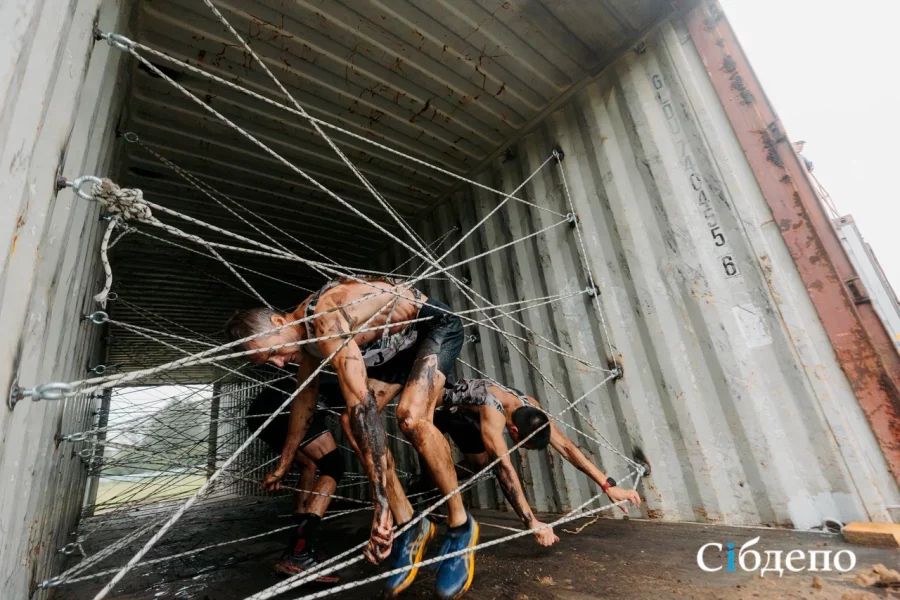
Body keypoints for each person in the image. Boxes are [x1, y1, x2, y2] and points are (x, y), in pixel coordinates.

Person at [225, 276, 478, 600]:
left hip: (432, 330)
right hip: (396, 353)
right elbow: (303, 404)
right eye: (268, 362)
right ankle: (410, 524)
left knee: (410, 418)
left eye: (273, 351)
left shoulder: (326, 320)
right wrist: (285, 462)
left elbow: (364, 408)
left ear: (277, 321)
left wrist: (379, 505)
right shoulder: (308, 343)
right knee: (348, 423)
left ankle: (460, 525)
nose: (277, 362)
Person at [426, 378, 643, 545]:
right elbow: (504, 469)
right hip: (441, 409)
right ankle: (427, 486)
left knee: (480, 464)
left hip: (468, 414)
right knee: (486, 463)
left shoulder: (530, 406)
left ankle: (427, 483)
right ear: (513, 431)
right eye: (524, 446)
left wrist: (607, 485)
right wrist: (532, 523)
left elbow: (567, 447)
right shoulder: (493, 413)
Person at [244, 376, 346, 581]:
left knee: (309, 463)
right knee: (334, 466)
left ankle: (300, 539)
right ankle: (300, 551)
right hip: (286, 402)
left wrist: (284, 465)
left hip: (260, 412)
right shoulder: (363, 379)